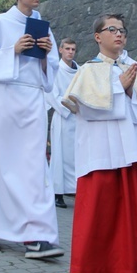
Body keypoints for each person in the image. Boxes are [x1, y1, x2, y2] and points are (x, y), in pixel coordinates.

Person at [0, 0, 64, 259]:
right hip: (4, 96)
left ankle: (35, 234)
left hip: (33, 98)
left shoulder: (43, 28)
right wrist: (13, 50)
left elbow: (54, 70)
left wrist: (47, 55)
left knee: (33, 168)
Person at [64, 13, 137, 273]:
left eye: (123, 30)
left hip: (131, 151)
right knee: (102, 217)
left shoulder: (132, 68)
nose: (119, 34)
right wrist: (119, 88)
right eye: (112, 29)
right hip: (100, 153)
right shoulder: (89, 70)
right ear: (98, 37)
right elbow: (85, 109)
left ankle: (119, 265)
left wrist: (129, 91)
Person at [45, 38, 79, 209]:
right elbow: (51, 93)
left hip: (78, 118)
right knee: (59, 156)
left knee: (76, 156)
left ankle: (75, 189)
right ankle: (57, 192)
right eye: (67, 48)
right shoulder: (56, 70)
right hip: (63, 118)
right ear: (60, 50)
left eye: (73, 49)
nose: (70, 52)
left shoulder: (79, 70)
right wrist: (67, 108)